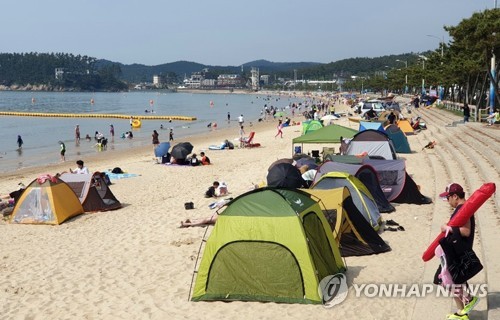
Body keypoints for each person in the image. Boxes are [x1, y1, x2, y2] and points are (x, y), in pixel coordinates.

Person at [435, 183, 480, 320]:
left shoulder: (463, 209)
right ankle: (462, 312)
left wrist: (447, 228)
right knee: (453, 279)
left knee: (448, 279)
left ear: (455, 196)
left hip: (458, 250)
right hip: (455, 249)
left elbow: (466, 231)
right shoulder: (462, 208)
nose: (448, 202)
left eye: (448, 198)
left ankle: (469, 300)